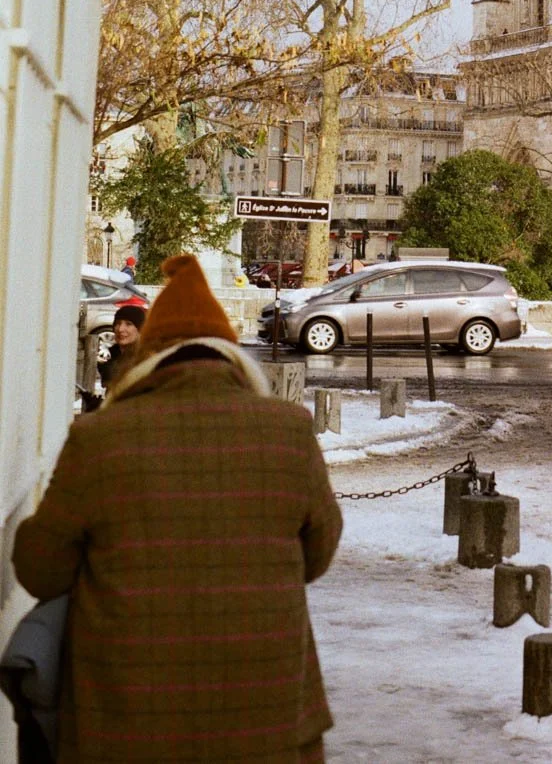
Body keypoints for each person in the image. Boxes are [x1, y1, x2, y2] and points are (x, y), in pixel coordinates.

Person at [14, 252, 342, 764]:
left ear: (147, 359)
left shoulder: (99, 438)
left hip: (127, 718)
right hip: (269, 710)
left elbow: (40, 569)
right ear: (231, 357)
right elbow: (317, 554)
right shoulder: (289, 430)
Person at [97, 303, 146, 392]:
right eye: (118, 323)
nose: (120, 329)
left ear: (140, 329)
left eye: (128, 324)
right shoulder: (110, 355)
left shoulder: (145, 358)